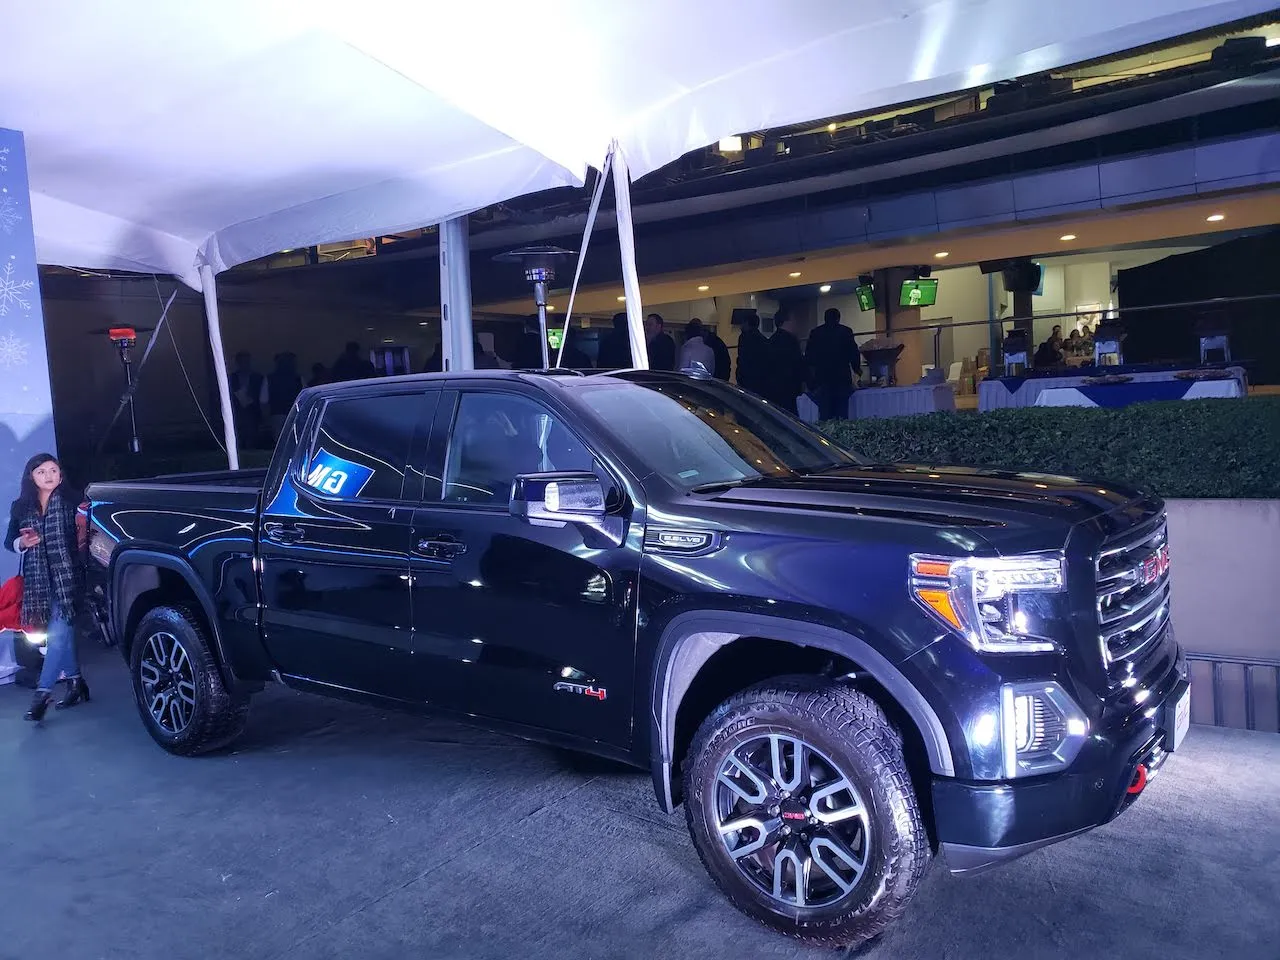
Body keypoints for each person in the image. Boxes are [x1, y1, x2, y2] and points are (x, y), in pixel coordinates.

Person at [6, 454, 88, 721]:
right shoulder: (21, 507)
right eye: (41, 471)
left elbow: (86, 535)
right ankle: (76, 683)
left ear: (61, 475)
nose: (49, 475)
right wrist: (22, 543)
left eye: (53, 470)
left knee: (58, 635)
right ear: (31, 477)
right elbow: (9, 542)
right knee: (61, 634)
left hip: (69, 578)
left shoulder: (73, 501)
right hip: (38, 582)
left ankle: (42, 694)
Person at [804, 308, 861, 420]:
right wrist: (857, 369)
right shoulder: (846, 332)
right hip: (842, 378)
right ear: (838, 318)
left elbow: (809, 357)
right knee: (841, 414)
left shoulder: (816, 333)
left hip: (823, 379)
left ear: (825, 319)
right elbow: (853, 353)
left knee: (825, 415)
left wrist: (811, 382)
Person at [766, 309, 806, 414]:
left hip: (774, 387)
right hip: (790, 386)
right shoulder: (791, 341)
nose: (795, 323)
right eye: (793, 320)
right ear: (787, 321)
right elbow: (799, 364)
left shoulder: (771, 340)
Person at [228, 351, 266, 445]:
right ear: (238, 363)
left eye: (246, 361)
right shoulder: (231, 378)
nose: (245, 364)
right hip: (236, 412)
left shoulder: (258, 377)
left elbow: (262, 395)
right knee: (237, 437)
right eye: (242, 361)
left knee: (252, 437)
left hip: (253, 412)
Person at [265, 352, 303, 440]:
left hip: (277, 414)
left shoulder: (270, 378)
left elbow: (264, 401)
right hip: (294, 413)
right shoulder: (298, 379)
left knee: (279, 440)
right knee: (295, 440)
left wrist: (266, 418)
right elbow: (304, 398)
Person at [735, 314, 769, 395]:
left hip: (746, 379)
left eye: (742, 323)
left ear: (747, 323)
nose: (740, 326)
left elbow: (743, 359)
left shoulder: (744, 338)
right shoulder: (763, 339)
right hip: (758, 380)